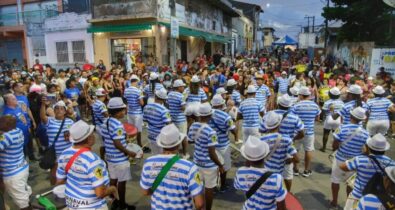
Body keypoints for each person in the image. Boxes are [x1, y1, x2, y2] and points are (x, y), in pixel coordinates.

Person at [140, 124, 204, 210]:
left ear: (161, 144)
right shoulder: (190, 168)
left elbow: (145, 192)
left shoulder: (148, 162)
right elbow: (199, 203)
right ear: (178, 144)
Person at [56, 120, 118, 210]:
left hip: (72, 203)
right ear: (89, 139)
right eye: (92, 134)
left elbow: (60, 181)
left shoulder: (64, 153)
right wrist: (113, 189)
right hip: (92, 206)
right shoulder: (93, 160)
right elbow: (100, 193)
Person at [340, 133, 395, 210]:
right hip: (379, 199)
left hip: (357, 196)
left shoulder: (360, 159)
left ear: (369, 147)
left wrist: (364, 155)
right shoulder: (391, 163)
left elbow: (342, 166)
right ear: (384, 150)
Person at [329, 107, 369, 209]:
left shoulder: (342, 128)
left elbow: (335, 145)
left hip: (339, 159)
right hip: (354, 162)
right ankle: (348, 203)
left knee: (335, 180)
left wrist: (336, 149)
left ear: (351, 116)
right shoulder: (366, 133)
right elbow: (366, 150)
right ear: (361, 119)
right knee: (350, 184)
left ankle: (334, 201)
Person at [101, 97, 137, 210]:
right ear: (117, 112)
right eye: (123, 110)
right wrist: (129, 152)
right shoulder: (117, 125)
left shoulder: (105, 122)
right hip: (120, 159)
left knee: (113, 180)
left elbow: (106, 140)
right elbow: (117, 143)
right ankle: (122, 205)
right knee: (122, 183)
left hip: (110, 158)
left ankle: (114, 201)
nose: (124, 112)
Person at [234, 136, 287, 210]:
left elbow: (238, 187)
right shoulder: (276, 178)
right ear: (265, 155)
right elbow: (281, 207)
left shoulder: (240, 172)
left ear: (247, 158)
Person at [187, 102, 223, 210]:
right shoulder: (211, 132)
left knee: (197, 188)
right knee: (209, 189)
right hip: (209, 166)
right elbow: (211, 153)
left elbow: (189, 141)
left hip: (196, 163)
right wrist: (220, 165)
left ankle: (198, 208)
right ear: (210, 115)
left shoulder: (193, 126)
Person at [259, 111, 298, 191]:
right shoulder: (287, 139)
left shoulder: (261, 140)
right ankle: (287, 194)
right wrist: (289, 160)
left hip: (266, 173)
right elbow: (297, 159)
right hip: (279, 174)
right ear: (279, 124)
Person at [0, 115, 32, 210]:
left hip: (13, 174)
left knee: (22, 202)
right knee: (23, 192)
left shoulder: (5, 137)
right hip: (22, 167)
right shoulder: (18, 130)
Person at [40, 99, 74, 185]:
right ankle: (56, 189)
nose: (59, 110)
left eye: (62, 109)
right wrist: (43, 105)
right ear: (54, 110)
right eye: (57, 108)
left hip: (69, 152)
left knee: (69, 172)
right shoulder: (50, 120)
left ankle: (67, 187)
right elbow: (42, 117)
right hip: (55, 154)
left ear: (65, 111)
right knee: (54, 174)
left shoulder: (70, 121)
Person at [290, 86, 321, 177]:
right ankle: (306, 170)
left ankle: (295, 169)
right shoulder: (315, 105)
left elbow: (292, 118)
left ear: (301, 95)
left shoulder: (296, 105)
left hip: (298, 131)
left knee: (295, 150)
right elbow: (317, 118)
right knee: (308, 150)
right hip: (310, 131)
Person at [209, 94, 237, 192]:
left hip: (210, 146)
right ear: (222, 104)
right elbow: (233, 130)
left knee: (213, 166)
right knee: (223, 166)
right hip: (223, 145)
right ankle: (222, 186)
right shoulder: (226, 116)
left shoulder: (207, 114)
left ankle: (212, 186)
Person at [143, 88, 172, 155]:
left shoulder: (147, 107)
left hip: (150, 134)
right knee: (162, 155)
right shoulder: (164, 110)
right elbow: (169, 124)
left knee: (154, 154)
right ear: (164, 99)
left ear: (155, 97)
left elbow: (145, 120)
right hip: (160, 136)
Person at [124, 75, 146, 151]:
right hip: (137, 113)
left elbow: (126, 101)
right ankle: (139, 145)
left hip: (130, 112)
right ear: (136, 81)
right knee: (138, 130)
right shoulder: (138, 90)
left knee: (131, 131)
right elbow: (141, 103)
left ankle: (131, 146)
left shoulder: (126, 90)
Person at [321, 87, 344, 152]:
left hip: (329, 118)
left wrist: (323, 118)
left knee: (326, 133)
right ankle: (334, 149)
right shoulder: (341, 102)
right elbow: (342, 112)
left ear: (330, 94)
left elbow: (323, 111)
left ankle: (324, 148)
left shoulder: (327, 102)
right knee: (336, 135)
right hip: (338, 119)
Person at [92, 88, 109, 159]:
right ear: (103, 96)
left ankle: (102, 158)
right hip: (103, 126)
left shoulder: (95, 103)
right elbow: (105, 114)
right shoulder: (101, 104)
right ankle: (107, 157)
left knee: (102, 143)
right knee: (107, 143)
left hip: (98, 125)